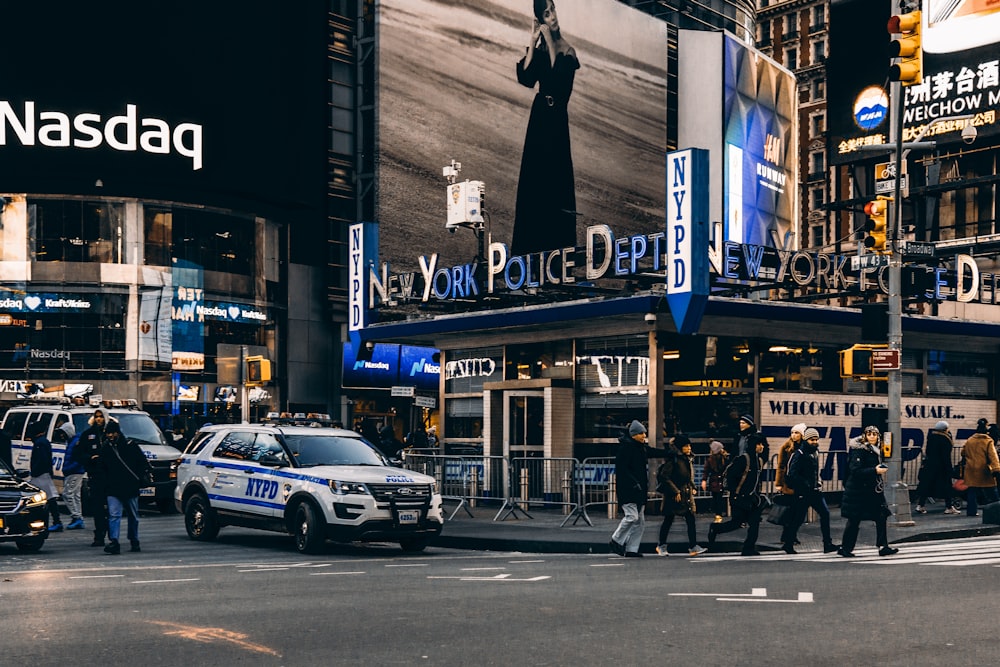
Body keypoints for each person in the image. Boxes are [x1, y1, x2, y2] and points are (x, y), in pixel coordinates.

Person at [510, 0, 580, 255]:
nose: (552, 17)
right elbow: (526, 78)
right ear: (541, 18)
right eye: (546, 14)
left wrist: (548, 41)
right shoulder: (541, 48)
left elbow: (557, 81)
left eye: (553, 11)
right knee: (533, 180)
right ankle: (528, 249)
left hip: (556, 121)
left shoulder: (568, 51)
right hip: (539, 117)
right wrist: (532, 41)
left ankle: (555, 249)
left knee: (555, 181)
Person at [838, 425, 898, 557]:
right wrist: (875, 470)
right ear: (865, 436)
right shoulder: (858, 450)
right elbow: (855, 471)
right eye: (869, 434)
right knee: (854, 519)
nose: (872, 436)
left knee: (881, 516)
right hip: (858, 491)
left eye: (874, 434)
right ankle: (846, 548)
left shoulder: (874, 450)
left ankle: (883, 546)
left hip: (872, 490)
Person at [609, 420, 666, 557]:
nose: (643, 435)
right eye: (641, 433)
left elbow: (653, 452)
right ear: (633, 434)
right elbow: (622, 470)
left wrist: (669, 453)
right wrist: (634, 483)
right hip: (628, 489)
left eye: (644, 432)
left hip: (639, 489)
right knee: (632, 517)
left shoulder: (640, 448)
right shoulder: (626, 449)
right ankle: (616, 540)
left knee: (639, 521)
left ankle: (631, 549)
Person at [783, 428, 839, 554]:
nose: (814, 442)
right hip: (803, 491)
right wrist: (805, 484)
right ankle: (788, 543)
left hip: (814, 490)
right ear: (806, 440)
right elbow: (791, 474)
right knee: (798, 518)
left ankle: (827, 543)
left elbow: (815, 470)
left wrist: (818, 481)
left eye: (816, 439)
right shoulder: (799, 454)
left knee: (825, 514)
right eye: (812, 440)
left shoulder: (815, 452)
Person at [100, 419, 151, 554]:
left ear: (117, 433)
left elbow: (141, 463)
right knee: (121, 515)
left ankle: (127, 540)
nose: (110, 436)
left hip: (123, 486)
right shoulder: (126, 445)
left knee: (121, 515)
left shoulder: (118, 446)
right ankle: (118, 541)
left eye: (112, 433)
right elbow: (142, 464)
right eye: (108, 433)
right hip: (123, 487)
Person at [709, 437, 766, 556]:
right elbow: (731, 475)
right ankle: (715, 528)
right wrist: (735, 491)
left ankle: (748, 548)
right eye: (759, 444)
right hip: (739, 497)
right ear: (753, 446)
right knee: (736, 523)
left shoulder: (759, 460)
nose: (762, 447)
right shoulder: (743, 459)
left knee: (754, 523)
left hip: (752, 498)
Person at [655, 434, 707, 557]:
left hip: (685, 493)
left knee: (690, 518)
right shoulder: (674, 459)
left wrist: (693, 487)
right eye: (686, 446)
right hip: (674, 494)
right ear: (680, 447)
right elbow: (664, 476)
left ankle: (693, 546)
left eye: (689, 445)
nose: (689, 448)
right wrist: (675, 491)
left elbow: (687, 476)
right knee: (669, 519)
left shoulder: (686, 459)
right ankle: (661, 545)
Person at [73, 408, 110, 547]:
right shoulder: (88, 434)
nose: (99, 419)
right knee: (98, 508)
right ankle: (99, 535)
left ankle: (112, 535)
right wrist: (90, 458)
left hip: (111, 477)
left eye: (101, 416)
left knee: (112, 509)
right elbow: (77, 454)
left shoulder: (111, 433)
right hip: (95, 476)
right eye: (97, 416)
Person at [915, 420, 958, 515]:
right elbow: (946, 456)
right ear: (945, 429)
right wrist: (949, 468)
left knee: (926, 485)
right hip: (942, 467)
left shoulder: (931, 437)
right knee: (947, 486)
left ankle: (920, 505)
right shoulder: (945, 439)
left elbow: (928, 452)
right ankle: (949, 507)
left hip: (930, 465)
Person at [960, 418, 1000, 517]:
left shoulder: (970, 440)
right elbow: (992, 456)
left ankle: (971, 511)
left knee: (972, 491)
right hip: (984, 469)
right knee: (992, 491)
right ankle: (997, 510)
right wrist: (996, 469)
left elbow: (963, 452)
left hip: (971, 469)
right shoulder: (988, 441)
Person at [774, 423, 806, 551]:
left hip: (801, 484)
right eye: (792, 432)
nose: (794, 435)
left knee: (798, 512)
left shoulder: (805, 447)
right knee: (790, 511)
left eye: (797, 433)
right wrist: (779, 484)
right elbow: (781, 466)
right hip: (789, 484)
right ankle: (788, 536)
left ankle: (791, 535)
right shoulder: (786, 447)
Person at [28, 421, 64, 531]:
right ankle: (56, 521)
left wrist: (35, 471)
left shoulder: (40, 443)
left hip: (41, 474)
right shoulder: (43, 442)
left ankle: (55, 521)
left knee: (46, 498)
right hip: (44, 473)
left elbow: (42, 460)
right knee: (49, 498)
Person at [59, 422, 86, 530]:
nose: (61, 436)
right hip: (76, 471)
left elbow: (78, 459)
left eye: (63, 433)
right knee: (75, 495)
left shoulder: (75, 443)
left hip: (74, 471)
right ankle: (78, 517)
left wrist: (68, 469)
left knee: (67, 494)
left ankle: (76, 516)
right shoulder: (73, 442)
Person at [701, 440, 728, 523]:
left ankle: (718, 515)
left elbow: (706, 471)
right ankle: (718, 514)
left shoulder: (723, 458)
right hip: (716, 481)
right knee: (716, 498)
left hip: (718, 481)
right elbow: (706, 470)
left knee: (717, 498)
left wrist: (704, 480)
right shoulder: (713, 459)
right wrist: (704, 480)